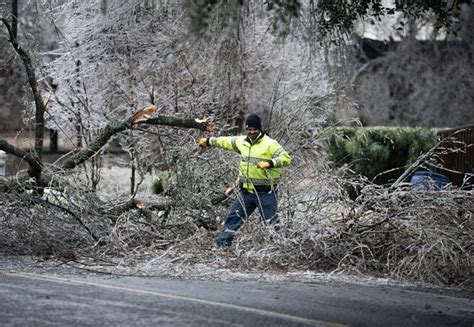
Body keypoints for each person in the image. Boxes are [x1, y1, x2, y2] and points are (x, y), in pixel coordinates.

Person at [198, 113, 291, 247]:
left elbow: (286, 158)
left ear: (260, 129)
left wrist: (270, 163)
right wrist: (208, 141)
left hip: (266, 194)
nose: (252, 132)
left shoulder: (270, 144)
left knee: (272, 224)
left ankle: (277, 248)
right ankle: (221, 246)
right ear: (246, 129)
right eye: (249, 129)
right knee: (233, 218)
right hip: (246, 193)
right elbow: (225, 141)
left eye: (254, 129)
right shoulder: (242, 142)